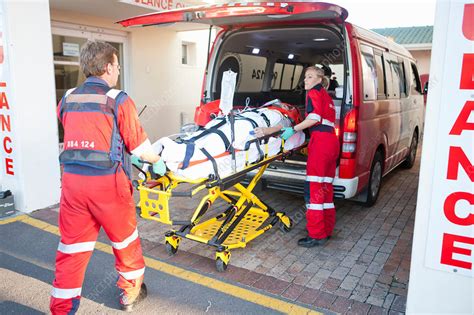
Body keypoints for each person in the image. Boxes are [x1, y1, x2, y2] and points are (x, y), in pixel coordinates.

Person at [50, 40, 165, 314]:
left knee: (71, 250)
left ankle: (62, 307)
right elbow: (141, 149)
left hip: (73, 185)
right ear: (107, 67)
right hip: (108, 186)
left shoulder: (67, 98)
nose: (118, 70)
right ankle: (130, 294)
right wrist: (157, 163)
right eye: (116, 65)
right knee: (125, 242)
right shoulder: (118, 99)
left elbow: (81, 132)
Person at [254, 66, 339, 247]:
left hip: (321, 143)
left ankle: (316, 235)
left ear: (319, 79)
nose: (306, 80)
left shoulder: (314, 94)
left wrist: (292, 129)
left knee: (314, 190)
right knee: (325, 188)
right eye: (305, 77)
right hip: (332, 142)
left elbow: (314, 118)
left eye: (310, 77)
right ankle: (327, 230)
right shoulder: (326, 95)